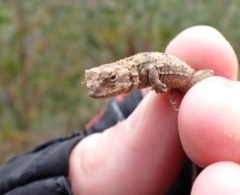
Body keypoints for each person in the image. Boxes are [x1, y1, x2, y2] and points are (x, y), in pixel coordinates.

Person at [0, 26, 240, 195]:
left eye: (113, 79)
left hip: (192, 85)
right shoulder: (131, 79)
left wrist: (158, 85)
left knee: (209, 98)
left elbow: (151, 68)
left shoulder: (139, 69)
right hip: (184, 101)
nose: (106, 87)